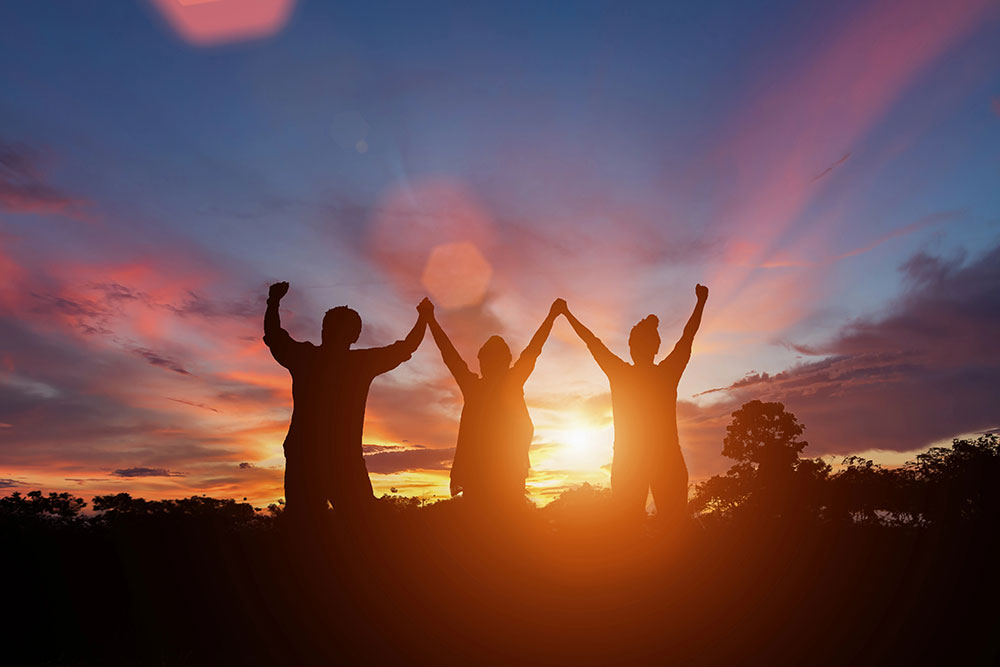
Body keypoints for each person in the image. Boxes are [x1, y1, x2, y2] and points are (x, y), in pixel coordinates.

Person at [264, 281, 428, 516]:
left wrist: (273, 301)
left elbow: (274, 335)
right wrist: (423, 317)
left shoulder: (306, 358)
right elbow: (407, 347)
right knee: (359, 525)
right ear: (355, 335)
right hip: (341, 458)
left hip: (307, 456)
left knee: (306, 524)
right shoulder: (359, 364)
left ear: (324, 329)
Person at [561, 284, 708, 524]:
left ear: (631, 347)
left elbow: (592, 341)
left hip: (633, 460)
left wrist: (566, 314)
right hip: (661, 459)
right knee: (671, 529)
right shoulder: (667, 373)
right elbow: (688, 335)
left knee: (628, 530)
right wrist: (701, 302)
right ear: (657, 347)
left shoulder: (622, 373)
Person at [420, 297, 563, 508]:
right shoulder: (508, 382)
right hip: (502, 472)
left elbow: (449, 354)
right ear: (507, 360)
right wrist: (552, 316)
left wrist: (430, 320)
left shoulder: (478, 386)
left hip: (485, 474)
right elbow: (534, 349)